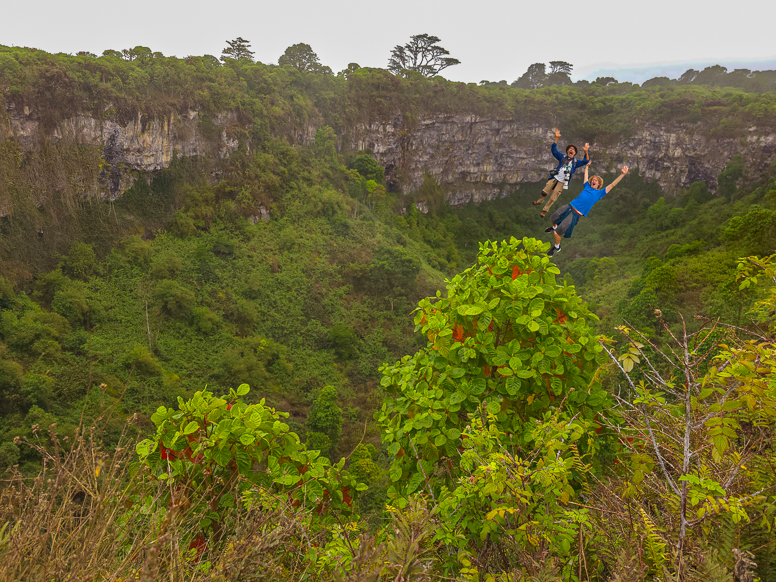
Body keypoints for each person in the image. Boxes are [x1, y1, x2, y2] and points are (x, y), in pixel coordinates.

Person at [545, 163, 629, 257]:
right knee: (552, 218)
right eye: (593, 180)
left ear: (599, 184)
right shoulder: (587, 187)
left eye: (596, 180)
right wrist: (587, 166)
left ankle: (557, 247)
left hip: (575, 214)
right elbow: (586, 176)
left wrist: (622, 174)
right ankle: (554, 227)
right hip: (569, 206)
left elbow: (612, 185)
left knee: (557, 233)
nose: (593, 181)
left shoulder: (600, 193)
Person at [533, 128, 590, 218]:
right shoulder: (562, 157)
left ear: (574, 153)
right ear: (567, 151)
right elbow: (554, 150)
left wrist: (586, 152)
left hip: (562, 182)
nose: (571, 150)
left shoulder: (576, 162)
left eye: (573, 150)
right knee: (545, 191)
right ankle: (539, 202)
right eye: (570, 149)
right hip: (555, 177)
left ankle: (544, 210)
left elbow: (586, 161)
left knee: (553, 198)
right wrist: (556, 138)